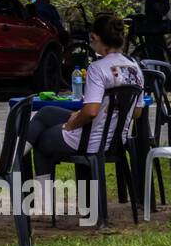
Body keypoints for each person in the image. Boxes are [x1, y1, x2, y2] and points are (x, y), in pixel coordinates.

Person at [25, 13, 144, 214]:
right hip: (115, 140)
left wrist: (71, 124)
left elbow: (90, 112)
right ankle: (13, 156)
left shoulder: (97, 68)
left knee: (42, 140)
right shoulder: (135, 68)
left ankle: (42, 201)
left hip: (91, 140)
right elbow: (137, 113)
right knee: (46, 113)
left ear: (96, 38)